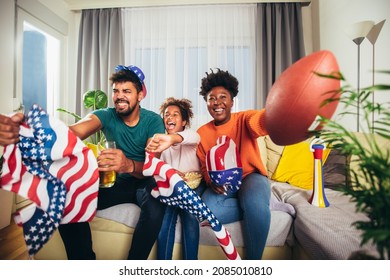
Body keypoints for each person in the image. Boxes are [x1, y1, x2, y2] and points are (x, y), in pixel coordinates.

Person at [0, 65, 167, 260]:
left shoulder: (153, 121)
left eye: (127, 91)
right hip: (115, 184)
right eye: (116, 91)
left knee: (156, 205)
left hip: (142, 182)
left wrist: (128, 164)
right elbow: (74, 130)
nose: (120, 96)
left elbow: (150, 167)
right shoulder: (106, 114)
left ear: (140, 95)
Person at [196, 68, 271, 260]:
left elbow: (260, 122)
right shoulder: (202, 133)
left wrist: (272, 115)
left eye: (223, 97)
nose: (217, 102)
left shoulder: (244, 119)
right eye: (212, 98)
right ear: (206, 103)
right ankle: (256, 207)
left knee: (255, 204)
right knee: (204, 212)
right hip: (222, 184)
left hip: (250, 177)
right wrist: (211, 181)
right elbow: (204, 165)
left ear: (232, 101)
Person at [145, 97, 205, 260]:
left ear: (184, 121)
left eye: (175, 114)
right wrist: (170, 171)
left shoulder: (191, 137)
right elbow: (155, 170)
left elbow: (193, 138)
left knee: (190, 216)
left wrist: (171, 139)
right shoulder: (159, 143)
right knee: (165, 222)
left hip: (194, 185)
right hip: (172, 187)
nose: (170, 117)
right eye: (166, 114)